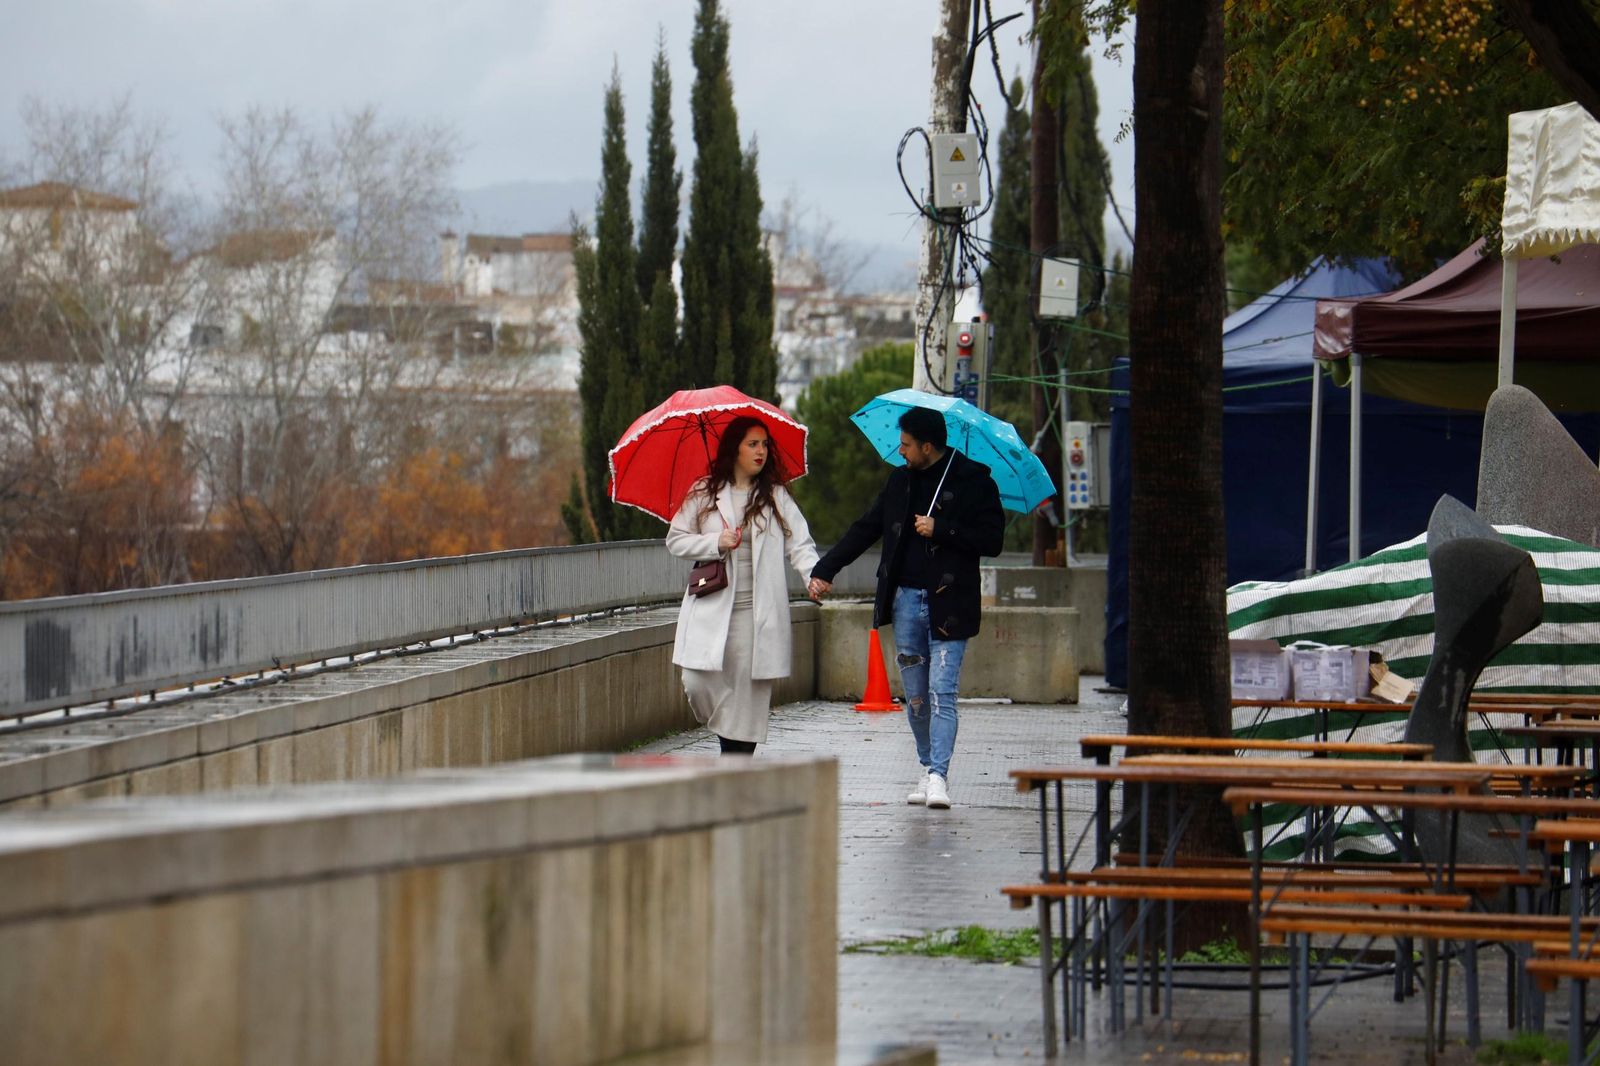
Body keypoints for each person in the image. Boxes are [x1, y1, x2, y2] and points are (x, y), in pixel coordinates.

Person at [807, 406, 1004, 808]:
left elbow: (992, 540)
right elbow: (866, 527)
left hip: (950, 605)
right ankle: (928, 764)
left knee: (941, 692)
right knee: (915, 697)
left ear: (928, 446)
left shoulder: (973, 480)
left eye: (907, 445)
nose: (901, 451)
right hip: (906, 601)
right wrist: (825, 569)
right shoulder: (900, 482)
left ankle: (938, 776)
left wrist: (942, 530)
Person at [667, 416, 820, 755]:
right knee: (696, 682)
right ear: (734, 449)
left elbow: (801, 544)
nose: (761, 451)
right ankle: (729, 745)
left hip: (758, 615)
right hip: (712, 609)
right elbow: (675, 541)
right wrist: (714, 542)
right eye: (753, 444)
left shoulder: (775, 496)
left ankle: (735, 766)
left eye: (765, 445)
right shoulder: (703, 492)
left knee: (747, 702)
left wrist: (813, 577)